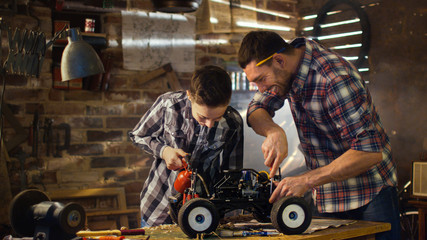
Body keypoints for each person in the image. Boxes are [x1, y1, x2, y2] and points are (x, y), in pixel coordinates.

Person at [238, 31, 399, 240]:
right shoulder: (282, 71)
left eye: (261, 80)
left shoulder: (334, 79)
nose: (261, 89)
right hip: (326, 191)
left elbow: (369, 152)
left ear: (279, 60)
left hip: (369, 190)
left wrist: (306, 179)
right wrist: (273, 131)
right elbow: (256, 108)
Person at [129, 65, 244, 227]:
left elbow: (231, 174)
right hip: (158, 206)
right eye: (203, 117)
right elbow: (138, 135)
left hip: (203, 212)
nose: (210, 125)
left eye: (217, 118)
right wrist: (165, 151)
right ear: (190, 96)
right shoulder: (168, 105)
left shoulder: (233, 123)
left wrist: (228, 213)